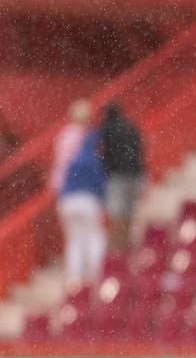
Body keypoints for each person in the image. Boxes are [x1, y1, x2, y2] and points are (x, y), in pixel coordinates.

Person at [57, 124, 107, 292]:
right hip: (86, 201)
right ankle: (97, 273)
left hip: (68, 202)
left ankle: (74, 277)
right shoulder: (94, 161)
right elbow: (99, 184)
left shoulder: (74, 159)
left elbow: (63, 183)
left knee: (75, 240)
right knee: (93, 237)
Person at [97, 104, 144, 253]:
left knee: (116, 212)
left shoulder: (107, 129)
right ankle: (126, 243)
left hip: (116, 175)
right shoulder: (130, 127)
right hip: (134, 173)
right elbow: (139, 149)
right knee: (129, 211)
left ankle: (115, 247)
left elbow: (103, 154)